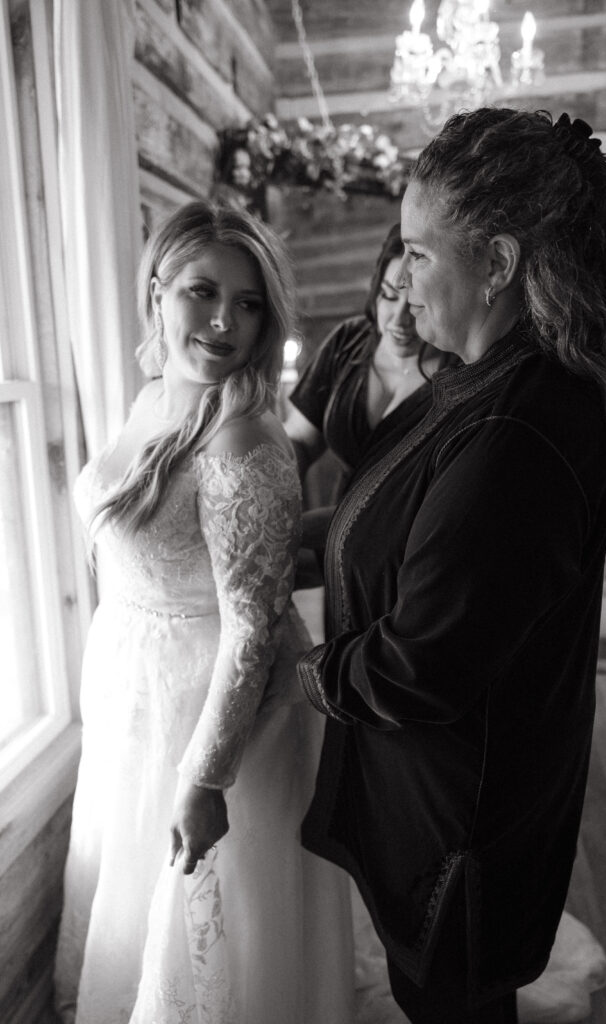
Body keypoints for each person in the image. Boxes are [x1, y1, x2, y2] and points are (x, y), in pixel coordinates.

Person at [297, 109, 606, 1024]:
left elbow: (420, 667)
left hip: (458, 829)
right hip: (444, 806)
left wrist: (302, 671)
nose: (401, 282)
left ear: (497, 264)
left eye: (419, 255)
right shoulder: (480, 378)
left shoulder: (519, 429)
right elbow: (383, 515)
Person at [54, 200, 355, 1024]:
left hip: (215, 715)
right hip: (138, 688)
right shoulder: (154, 395)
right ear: (158, 289)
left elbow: (255, 627)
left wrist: (206, 777)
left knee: (211, 941)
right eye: (201, 291)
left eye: (250, 302)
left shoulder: (241, 442)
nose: (225, 322)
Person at [285, 223, 455, 566]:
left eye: (415, 303)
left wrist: (302, 531)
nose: (399, 320)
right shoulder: (348, 342)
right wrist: (275, 498)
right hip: (339, 560)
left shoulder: (458, 373)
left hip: (413, 562)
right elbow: (300, 441)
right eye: (389, 296)